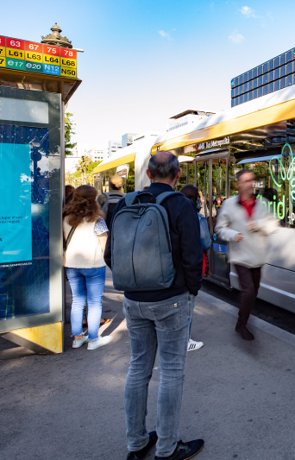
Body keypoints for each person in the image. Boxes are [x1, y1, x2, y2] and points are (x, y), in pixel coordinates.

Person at [105, 151, 204, 460]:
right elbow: (192, 255)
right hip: (171, 300)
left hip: (133, 300)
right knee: (172, 371)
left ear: (148, 173)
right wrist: (191, 291)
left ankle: (136, 444)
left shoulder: (127, 203)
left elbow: (111, 255)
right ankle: (167, 447)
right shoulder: (180, 205)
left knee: (138, 368)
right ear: (176, 176)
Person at [215, 169, 278, 341]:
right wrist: (233, 235)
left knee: (253, 291)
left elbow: (273, 225)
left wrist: (258, 224)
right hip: (240, 255)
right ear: (238, 184)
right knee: (249, 290)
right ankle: (241, 325)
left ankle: (243, 315)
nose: (249, 184)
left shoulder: (263, 204)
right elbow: (219, 229)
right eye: (245, 181)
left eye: (252, 180)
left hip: (258, 256)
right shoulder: (229, 204)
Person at [62, 185, 112, 351]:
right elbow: (104, 244)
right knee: (94, 302)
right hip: (93, 265)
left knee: (77, 301)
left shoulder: (66, 218)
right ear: (93, 200)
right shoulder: (97, 220)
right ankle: (93, 339)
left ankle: (77, 338)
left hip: (71, 264)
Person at [180, 184, 210, 352]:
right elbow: (206, 242)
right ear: (196, 200)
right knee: (189, 304)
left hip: (175, 267)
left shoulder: (171, 213)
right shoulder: (198, 218)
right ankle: (185, 341)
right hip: (193, 266)